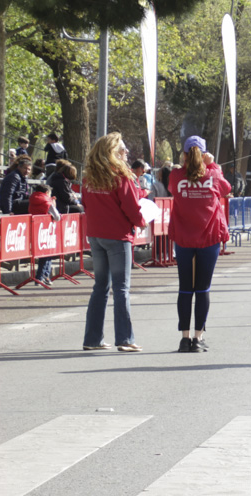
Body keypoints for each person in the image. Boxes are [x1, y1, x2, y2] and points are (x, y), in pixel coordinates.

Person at [81, 132, 146, 352]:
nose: (127, 152)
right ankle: (125, 339)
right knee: (121, 288)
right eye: (123, 149)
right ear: (113, 152)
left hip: (96, 235)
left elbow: (86, 204)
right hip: (118, 236)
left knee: (100, 287)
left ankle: (92, 339)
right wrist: (141, 221)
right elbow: (131, 207)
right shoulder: (121, 176)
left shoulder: (89, 178)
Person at [168, 135, 232, 353]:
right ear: (204, 154)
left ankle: (184, 338)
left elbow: (172, 189)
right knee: (203, 288)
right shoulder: (212, 172)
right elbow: (226, 189)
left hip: (184, 238)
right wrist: (212, 164)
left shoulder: (176, 175)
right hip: (208, 237)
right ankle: (198, 337)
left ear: (184, 154)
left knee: (185, 288)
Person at [28, 183, 60, 286]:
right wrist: (53, 204)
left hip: (36, 228)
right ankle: (40, 276)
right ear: (47, 193)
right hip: (46, 230)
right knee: (46, 254)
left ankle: (46, 275)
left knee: (45, 254)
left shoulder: (32, 200)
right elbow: (57, 217)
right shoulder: (47, 202)